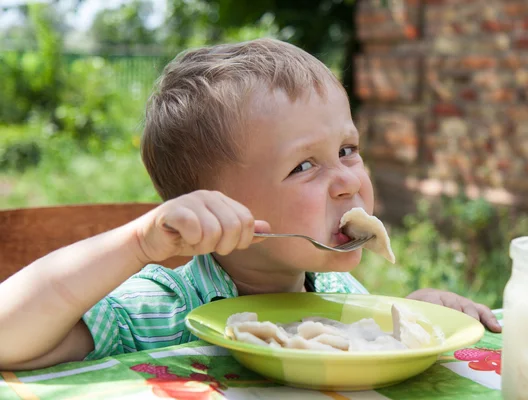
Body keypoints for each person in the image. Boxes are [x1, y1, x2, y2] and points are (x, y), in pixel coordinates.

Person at [0, 38, 501, 371]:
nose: (348, 181)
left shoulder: (337, 293)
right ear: (217, 206)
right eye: (304, 165)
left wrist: (411, 321)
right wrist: (136, 243)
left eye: (347, 150)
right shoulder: (162, 309)